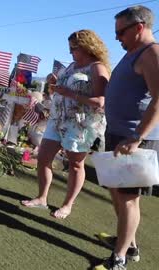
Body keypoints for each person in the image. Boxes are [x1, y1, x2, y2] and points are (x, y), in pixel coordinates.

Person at [94, 6, 159, 270]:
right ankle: (127, 241)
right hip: (117, 133)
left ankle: (120, 258)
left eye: (121, 32)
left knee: (129, 198)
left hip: (135, 138)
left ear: (139, 27)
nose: (117, 38)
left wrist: (137, 137)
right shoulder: (132, 53)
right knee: (117, 192)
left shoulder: (152, 53)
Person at [20, 29, 110, 219]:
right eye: (70, 48)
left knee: (76, 165)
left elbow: (101, 101)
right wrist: (54, 82)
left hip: (80, 124)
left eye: (74, 48)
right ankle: (42, 198)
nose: (71, 52)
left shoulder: (97, 68)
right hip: (57, 119)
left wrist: (70, 94)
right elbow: (61, 89)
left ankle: (67, 205)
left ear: (87, 46)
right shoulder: (71, 66)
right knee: (43, 158)